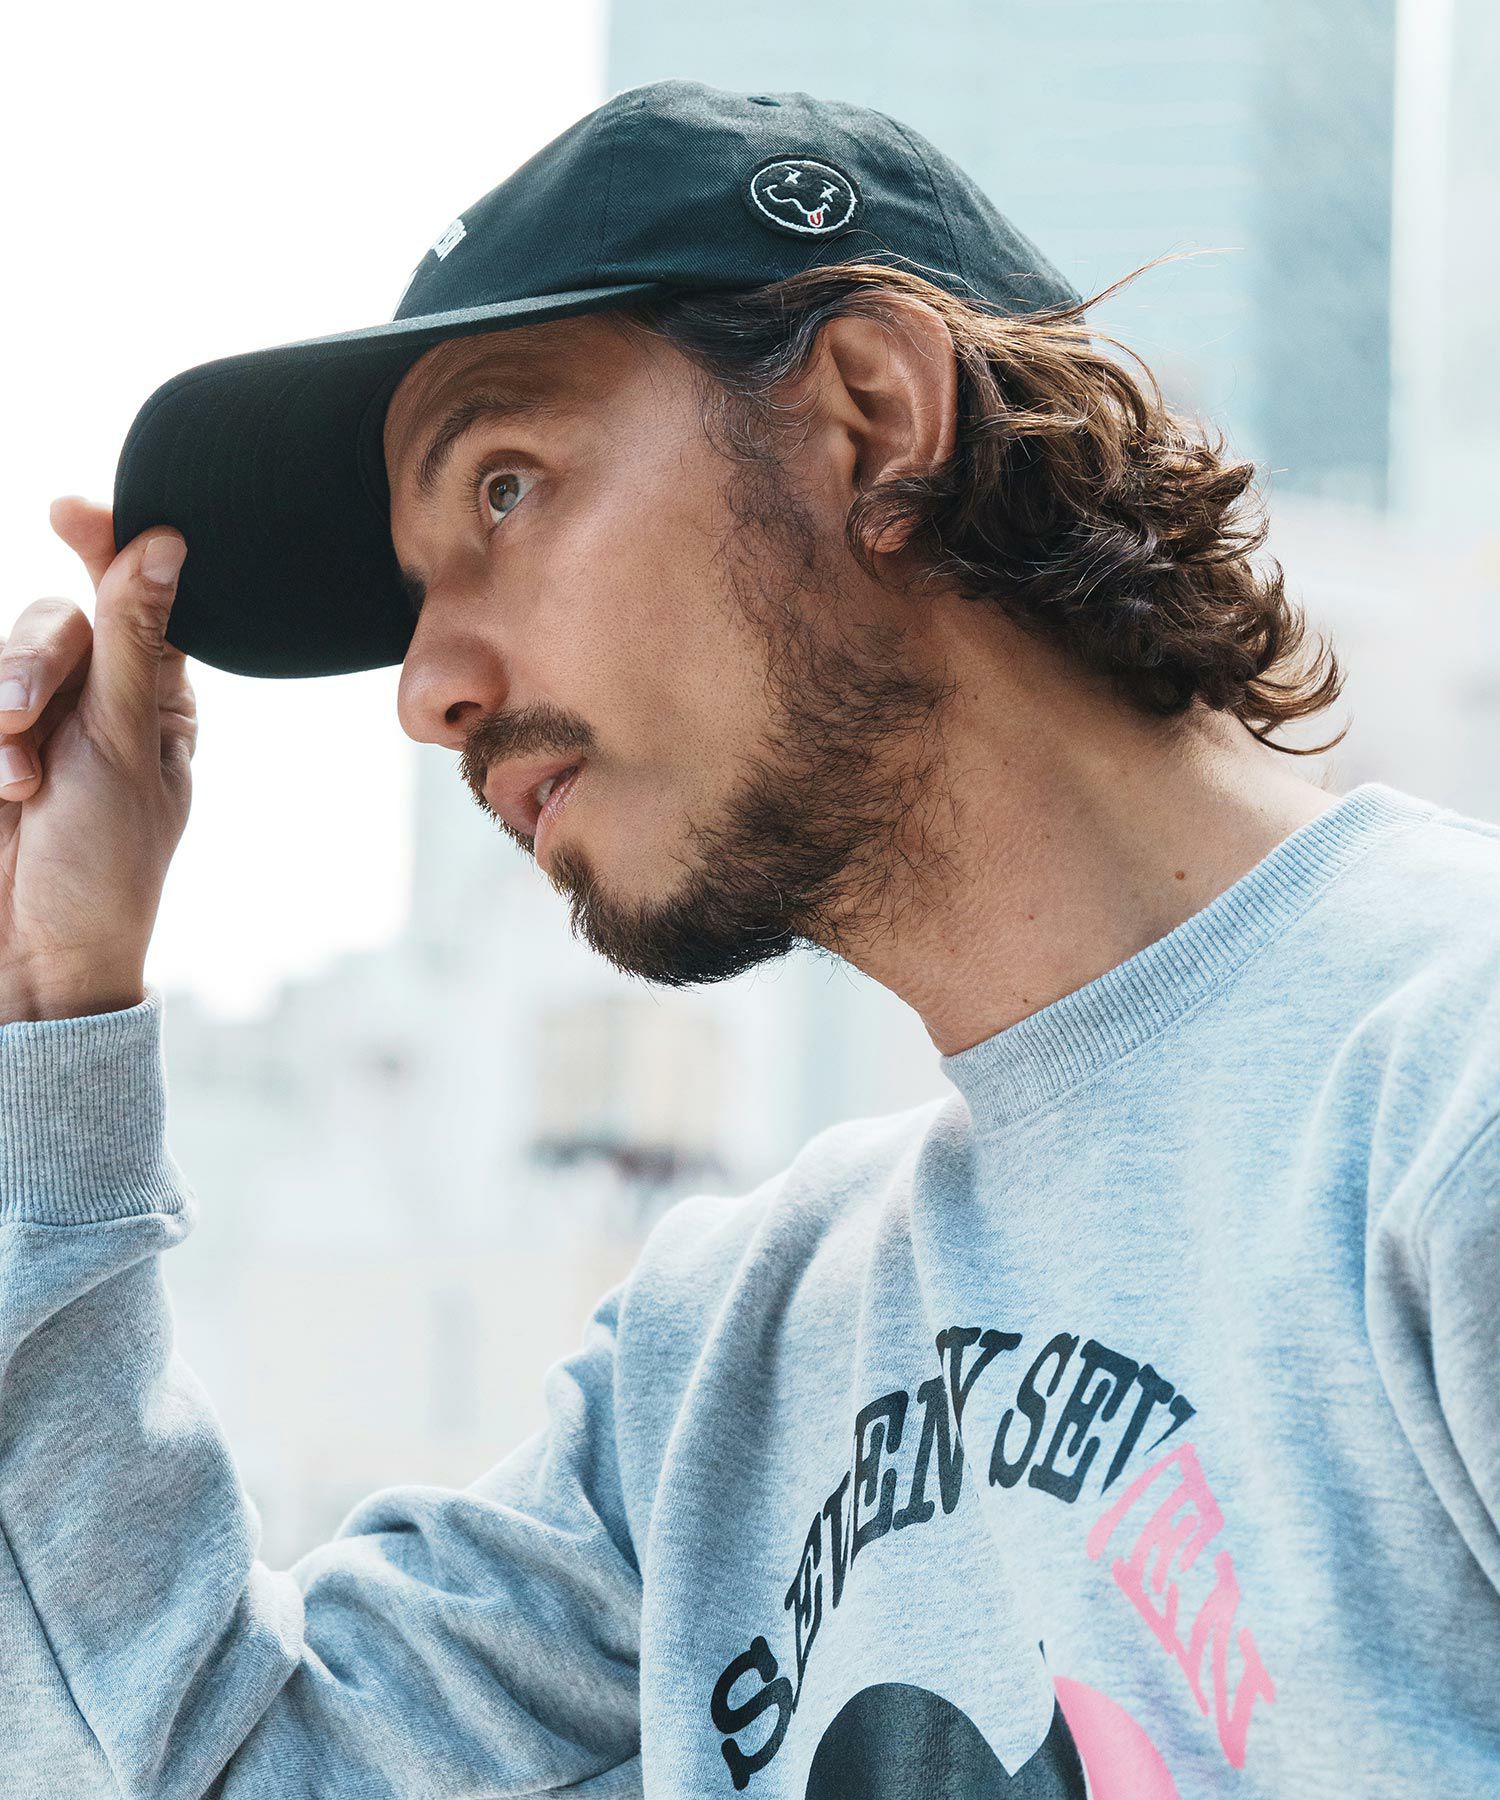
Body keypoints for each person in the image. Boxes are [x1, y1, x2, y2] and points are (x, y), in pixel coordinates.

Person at [0, 78, 1496, 1799]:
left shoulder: (1449, 1100)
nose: (430, 689)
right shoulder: (720, 1372)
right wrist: (51, 1010)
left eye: (505, 489)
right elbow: (192, 1768)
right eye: (418, 595)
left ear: (870, 419)